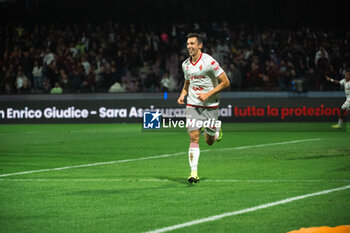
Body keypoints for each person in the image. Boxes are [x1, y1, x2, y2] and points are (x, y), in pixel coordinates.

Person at [177, 33, 230, 183]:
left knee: (209, 141)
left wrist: (208, 94)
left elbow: (226, 82)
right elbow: (188, 81)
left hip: (210, 105)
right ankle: (193, 173)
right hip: (193, 104)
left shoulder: (209, 62)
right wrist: (183, 94)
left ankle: (215, 129)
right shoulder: (185, 64)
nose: (189, 47)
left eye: (192, 44)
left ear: (200, 45)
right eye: (188, 44)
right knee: (193, 137)